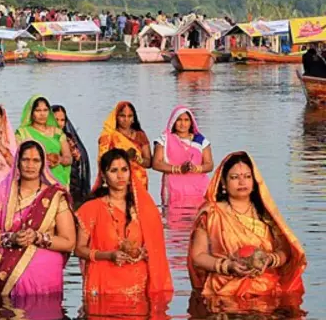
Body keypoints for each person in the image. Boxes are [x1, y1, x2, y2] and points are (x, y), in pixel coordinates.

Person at [188, 152, 306, 297]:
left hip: (267, 289)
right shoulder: (211, 213)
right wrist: (228, 266)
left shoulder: (266, 214)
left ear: (254, 182)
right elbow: (198, 256)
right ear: (223, 183)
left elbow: (286, 251)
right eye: (234, 177)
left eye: (247, 176)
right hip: (223, 291)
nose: (242, 182)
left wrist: (269, 260)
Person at [0, 141, 76, 296]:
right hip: (5, 279)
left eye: (36, 160)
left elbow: (69, 243)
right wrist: (13, 238)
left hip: (45, 282)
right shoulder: (2, 195)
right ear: (17, 162)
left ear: (43, 164)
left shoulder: (55, 197)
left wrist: (38, 237)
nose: (30, 165)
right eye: (25, 160)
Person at [75, 148, 173, 297]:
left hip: (138, 287)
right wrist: (108, 255)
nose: (120, 175)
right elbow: (79, 250)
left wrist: (143, 252)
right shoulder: (90, 209)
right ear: (103, 175)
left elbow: (155, 249)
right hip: (102, 286)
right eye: (114, 170)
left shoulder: (144, 209)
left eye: (124, 169)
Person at [152, 106, 213, 207]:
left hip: (199, 189)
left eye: (186, 120)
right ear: (173, 122)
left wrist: (195, 168)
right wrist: (178, 169)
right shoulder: (164, 140)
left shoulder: (200, 140)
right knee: (172, 219)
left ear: (191, 122)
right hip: (173, 189)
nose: (183, 123)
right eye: (179, 120)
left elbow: (209, 165)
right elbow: (156, 163)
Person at [16, 96, 72, 186]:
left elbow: (68, 158)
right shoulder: (23, 133)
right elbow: (17, 158)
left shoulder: (57, 132)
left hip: (58, 179)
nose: (42, 114)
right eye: (38, 110)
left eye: (45, 110)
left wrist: (59, 159)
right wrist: (41, 160)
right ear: (31, 113)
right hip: (34, 180)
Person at [98, 101, 152, 190]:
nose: (126, 119)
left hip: (139, 180)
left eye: (130, 116)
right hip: (116, 180)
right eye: (122, 116)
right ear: (116, 117)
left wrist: (136, 158)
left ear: (133, 118)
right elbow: (103, 160)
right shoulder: (109, 136)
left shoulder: (140, 135)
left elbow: (149, 163)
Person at [52, 105, 91, 207]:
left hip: (74, 183)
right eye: (56, 119)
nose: (60, 124)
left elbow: (81, 160)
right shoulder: (47, 140)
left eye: (62, 120)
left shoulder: (70, 139)